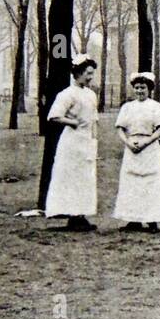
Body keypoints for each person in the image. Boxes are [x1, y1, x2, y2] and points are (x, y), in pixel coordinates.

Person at [46, 55, 101, 231]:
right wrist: (73, 122)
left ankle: (81, 215)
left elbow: (94, 120)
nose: (90, 77)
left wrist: (94, 142)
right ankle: (71, 214)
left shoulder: (91, 94)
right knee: (71, 178)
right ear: (77, 73)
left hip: (87, 141)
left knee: (85, 178)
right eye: (88, 73)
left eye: (92, 74)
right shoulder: (67, 94)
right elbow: (54, 116)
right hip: (71, 143)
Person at [112, 71, 160, 233]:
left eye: (142, 87)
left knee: (151, 183)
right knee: (131, 183)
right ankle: (133, 220)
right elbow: (120, 129)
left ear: (149, 89)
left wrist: (146, 142)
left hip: (149, 148)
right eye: (136, 88)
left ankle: (151, 220)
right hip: (132, 148)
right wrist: (128, 142)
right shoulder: (127, 107)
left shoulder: (156, 107)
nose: (139, 91)